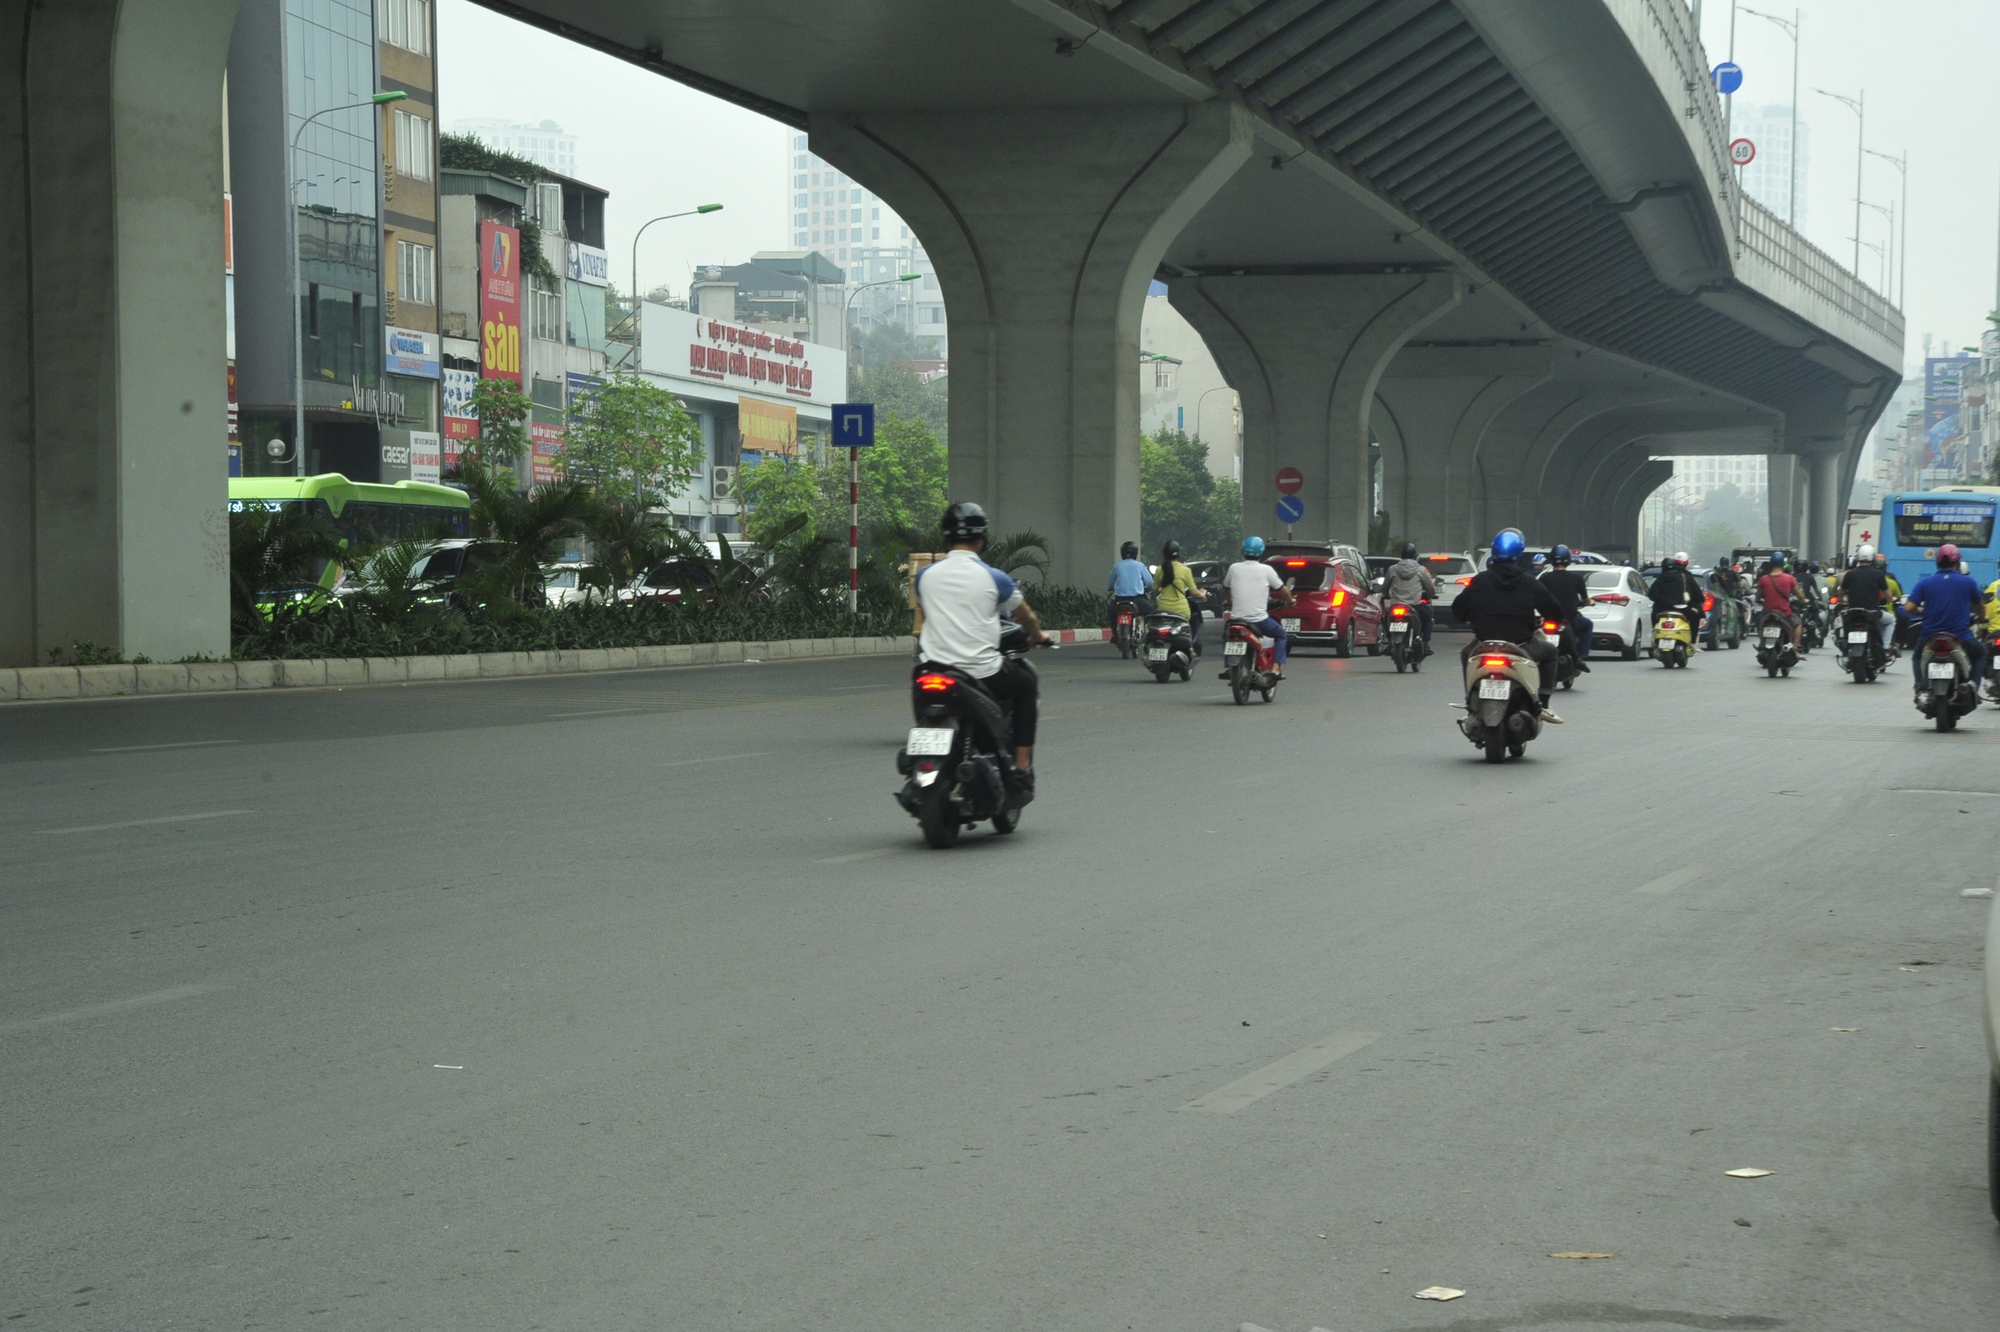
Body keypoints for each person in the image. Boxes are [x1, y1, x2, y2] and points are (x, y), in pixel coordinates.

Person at [916, 501, 1050, 791]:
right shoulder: (994, 578)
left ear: (946, 538)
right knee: (1027, 684)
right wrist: (1037, 636)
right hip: (981, 673)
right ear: (982, 539)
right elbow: (1026, 616)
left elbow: (926, 619)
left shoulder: (924, 576)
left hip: (931, 669)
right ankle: (1022, 766)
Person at [1452, 528, 1567, 722]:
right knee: (1551, 653)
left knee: (1465, 654)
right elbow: (1553, 608)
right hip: (1521, 645)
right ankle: (1544, 704)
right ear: (1519, 554)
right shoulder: (1529, 582)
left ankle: (1470, 704)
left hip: (1484, 645)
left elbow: (1458, 610)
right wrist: (1555, 619)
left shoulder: (1480, 581)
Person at [1900, 542, 1988, 694]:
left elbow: (1908, 608)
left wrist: (1922, 612)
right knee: (1981, 654)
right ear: (1957, 563)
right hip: (1961, 637)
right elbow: (1980, 606)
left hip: (1929, 636)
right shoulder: (1968, 582)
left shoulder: (1925, 583)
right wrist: (1981, 617)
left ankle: (1921, 687)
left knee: (1916, 657)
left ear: (1937, 562)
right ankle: (1973, 687)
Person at [1218, 535, 1292, 679]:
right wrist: (1291, 601)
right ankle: (1276, 668)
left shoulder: (1234, 568)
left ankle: (1229, 665)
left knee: (1226, 635)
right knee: (1281, 635)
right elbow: (1283, 590)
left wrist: (1229, 601)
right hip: (1259, 621)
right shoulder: (1267, 570)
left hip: (1236, 619)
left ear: (1243, 551)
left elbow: (1226, 588)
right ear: (1261, 552)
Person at [1834, 542, 1893, 662]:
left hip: (1853, 613)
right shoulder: (1878, 575)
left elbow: (1841, 591)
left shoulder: (1850, 574)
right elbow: (1888, 594)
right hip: (1872, 614)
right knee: (1891, 620)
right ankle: (1886, 649)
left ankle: (1845, 648)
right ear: (1872, 557)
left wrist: (1843, 599)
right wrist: (1889, 601)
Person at [1537, 544, 1593, 670]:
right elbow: (1586, 599)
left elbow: (1538, 596)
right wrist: (1590, 602)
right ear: (1568, 559)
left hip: (1548, 619)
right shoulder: (1577, 579)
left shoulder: (1544, 578)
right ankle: (1581, 657)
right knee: (1588, 625)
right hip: (1570, 620)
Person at [1381, 541, 1438, 653]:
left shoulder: (1392, 569)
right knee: (1428, 619)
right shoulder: (1420, 570)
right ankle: (1425, 644)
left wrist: (1386, 595)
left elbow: (1384, 588)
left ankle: (1390, 642)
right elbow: (1429, 587)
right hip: (1414, 606)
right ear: (1414, 556)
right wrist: (1432, 594)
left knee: (1385, 618)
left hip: (1395, 605)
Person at [1152, 539, 1205, 653]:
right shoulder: (1185, 570)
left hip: (1163, 609)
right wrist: (1203, 593)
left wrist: (1162, 589)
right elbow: (1194, 592)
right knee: (1191, 625)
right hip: (1181, 610)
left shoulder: (1159, 569)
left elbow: (1155, 592)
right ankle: (1190, 647)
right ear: (1178, 553)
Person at [1756, 552, 1803, 654]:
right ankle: (1795, 649)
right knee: (1798, 624)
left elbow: (1757, 597)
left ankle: (1762, 645)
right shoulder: (1789, 578)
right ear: (1783, 564)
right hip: (1785, 614)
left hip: (1768, 613)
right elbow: (1799, 595)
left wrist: (1763, 600)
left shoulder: (1763, 579)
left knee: (1760, 626)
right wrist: (1804, 600)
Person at [1648, 552, 1703, 633]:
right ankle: (1693, 641)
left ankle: (1655, 634)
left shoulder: (1660, 578)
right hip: (1682, 608)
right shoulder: (1685, 577)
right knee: (1695, 616)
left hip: (1662, 608)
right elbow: (1697, 595)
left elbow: (1652, 595)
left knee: (1654, 614)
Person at [1107, 540, 1154, 624]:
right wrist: (1150, 589)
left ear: (1122, 553)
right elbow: (1149, 582)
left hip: (1119, 600)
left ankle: (1115, 634)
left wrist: (1111, 588)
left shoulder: (1117, 566)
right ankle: (1147, 632)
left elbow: (1110, 583)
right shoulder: (1140, 566)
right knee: (1151, 612)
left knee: (1111, 612)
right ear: (1135, 553)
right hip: (1137, 600)